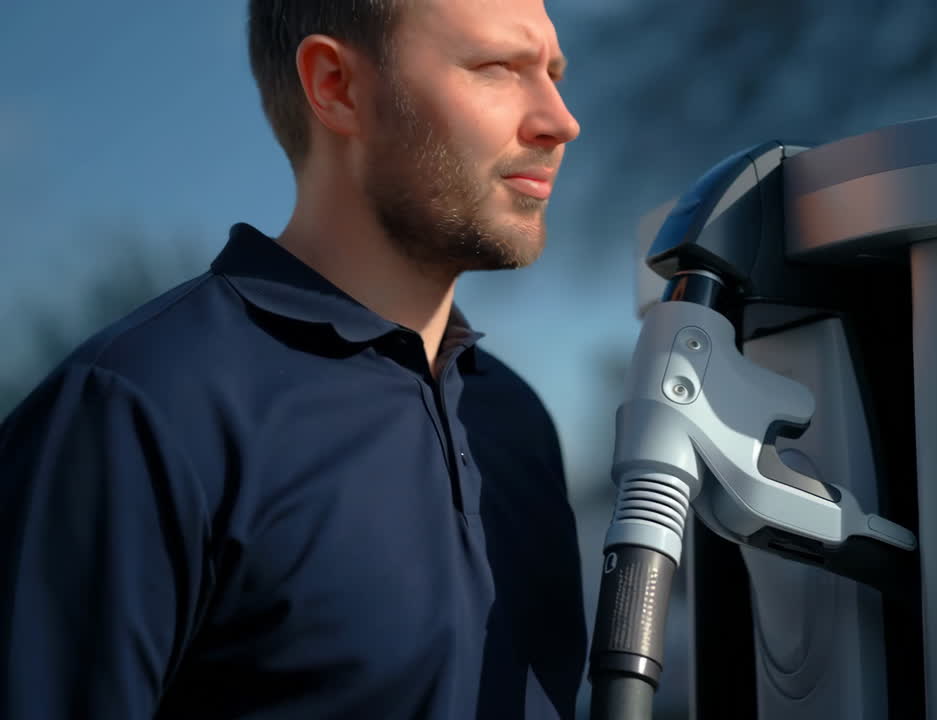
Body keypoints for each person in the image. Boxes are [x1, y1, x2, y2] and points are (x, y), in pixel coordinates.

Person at [0, 0, 587, 717]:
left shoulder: (517, 418)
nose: (560, 119)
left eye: (553, 73)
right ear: (335, 86)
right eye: (498, 68)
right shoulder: (137, 410)